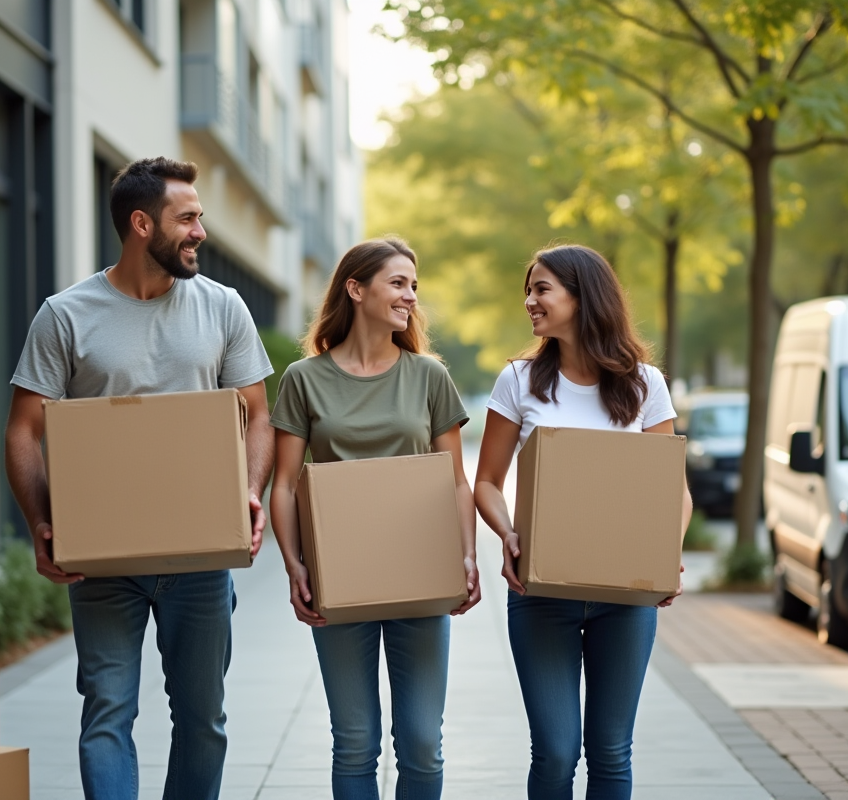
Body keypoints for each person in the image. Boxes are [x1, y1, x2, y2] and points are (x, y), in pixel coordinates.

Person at [4, 157, 275, 800]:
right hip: (102, 558)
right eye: (187, 218)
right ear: (140, 223)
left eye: (199, 218)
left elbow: (259, 416)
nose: (200, 231)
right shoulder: (66, 315)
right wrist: (40, 519)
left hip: (201, 553)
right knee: (107, 713)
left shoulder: (223, 307)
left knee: (203, 720)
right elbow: (23, 428)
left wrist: (248, 489)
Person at [473, 244, 692, 800]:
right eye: (530, 289)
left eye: (542, 289)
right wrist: (508, 534)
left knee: (611, 752)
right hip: (541, 591)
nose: (530, 301)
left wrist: (666, 554)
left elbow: (672, 491)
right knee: (556, 750)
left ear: (582, 295)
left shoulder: (645, 384)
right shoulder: (518, 381)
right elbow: (487, 482)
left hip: (626, 597)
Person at [268, 237, 481, 800]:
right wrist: (295, 566)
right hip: (340, 580)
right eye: (397, 282)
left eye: (414, 285)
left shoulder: (428, 376)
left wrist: (466, 556)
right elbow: (285, 484)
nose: (410, 295)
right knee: (356, 742)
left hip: (419, 570)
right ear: (355, 289)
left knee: (420, 741)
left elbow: (456, 479)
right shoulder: (304, 379)